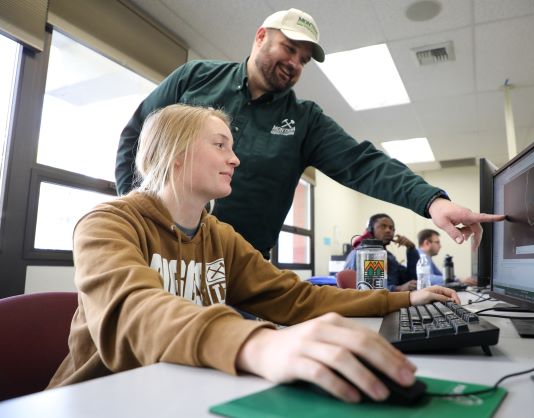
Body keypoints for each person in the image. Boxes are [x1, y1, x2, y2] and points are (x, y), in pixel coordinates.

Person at [49, 104, 461, 404]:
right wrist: (258, 346)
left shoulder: (219, 236)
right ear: (175, 154)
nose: (235, 158)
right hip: (100, 400)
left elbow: (297, 297)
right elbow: (131, 313)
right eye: (220, 145)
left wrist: (404, 298)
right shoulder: (108, 222)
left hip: (182, 393)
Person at [115, 8, 504, 260]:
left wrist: (432, 202)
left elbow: (363, 163)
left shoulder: (305, 120)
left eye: (303, 60)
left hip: (239, 265)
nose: (295, 64)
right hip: (160, 248)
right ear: (261, 36)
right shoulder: (195, 78)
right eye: (289, 49)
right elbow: (137, 134)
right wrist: (133, 208)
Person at [344, 213, 418, 292]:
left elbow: (410, 278)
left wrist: (411, 249)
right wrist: (398, 288)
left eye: (391, 228)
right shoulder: (366, 254)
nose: (388, 230)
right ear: (371, 230)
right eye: (383, 226)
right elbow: (371, 289)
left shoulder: (389, 256)